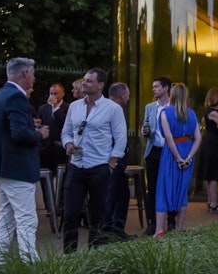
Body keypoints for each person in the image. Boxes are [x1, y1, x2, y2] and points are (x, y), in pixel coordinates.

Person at [59, 69, 127, 253]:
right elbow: (66, 132)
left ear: (100, 85)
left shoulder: (113, 109)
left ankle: (94, 255)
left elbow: (121, 138)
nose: (84, 83)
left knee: (97, 216)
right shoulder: (74, 106)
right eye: (84, 80)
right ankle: (69, 256)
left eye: (89, 81)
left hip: (100, 167)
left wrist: (111, 164)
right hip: (76, 165)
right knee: (70, 213)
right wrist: (68, 144)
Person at [0, 58, 50, 263]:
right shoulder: (16, 97)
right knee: (27, 219)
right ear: (25, 73)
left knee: (6, 218)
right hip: (17, 167)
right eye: (32, 73)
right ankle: (30, 264)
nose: (34, 78)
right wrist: (40, 134)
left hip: (3, 166)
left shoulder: (0, 95)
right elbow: (19, 133)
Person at [154, 83, 200, 236]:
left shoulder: (165, 112)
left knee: (163, 188)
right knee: (182, 190)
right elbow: (198, 138)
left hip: (171, 153)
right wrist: (188, 157)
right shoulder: (191, 114)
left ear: (172, 95)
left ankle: (159, 230)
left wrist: (178, 157)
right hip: (187, 152)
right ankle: (179, 229)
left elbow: (168, 137)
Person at [101, 82, 134, 241]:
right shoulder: (114, 109)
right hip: (113, 160)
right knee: (113, 196)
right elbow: (119, 136)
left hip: (114, 160)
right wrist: (113, 161)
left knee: (121, 194)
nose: (128, 97)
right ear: (122, 96)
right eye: (128, 94)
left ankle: (114, 229)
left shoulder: (104, 108)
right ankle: (107, 230)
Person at [141, 76, 172, 235]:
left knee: (169, 186)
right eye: (153, 87)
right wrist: (144, 131)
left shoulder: (174, 107)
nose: (153, 89)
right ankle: (152, 223)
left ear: (166, 88)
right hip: (153, 150)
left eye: (157, 86)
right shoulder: (150, 107)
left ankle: (171, 221)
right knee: (152, 188)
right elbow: (145, 125)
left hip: (169, 151)